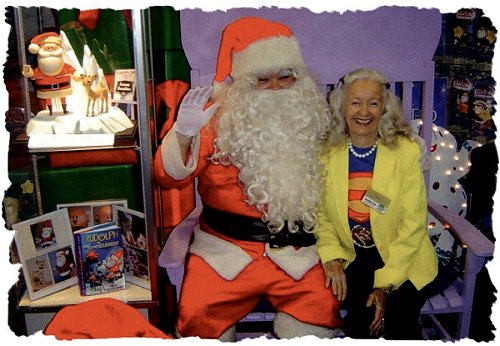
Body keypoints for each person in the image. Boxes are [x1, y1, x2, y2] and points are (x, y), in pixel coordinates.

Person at [154, 16, 343, 341]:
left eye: (285, 77)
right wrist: (183, 134)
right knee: (198, 317)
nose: (275, 87)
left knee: (320, 312)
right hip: (223, 251)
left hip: (296, 251)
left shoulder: (311, 120)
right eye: (262, 79)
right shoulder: (215, 119)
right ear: (241, 82)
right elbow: (168, 177)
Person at [315, 68, 438, 339]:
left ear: (384, 108)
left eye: (373, 103)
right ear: (342, 107)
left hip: (403, 255)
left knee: (400, 320)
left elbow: (412, 224)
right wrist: (331, 255)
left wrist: (385, 285)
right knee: (362, 322)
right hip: (354, 256)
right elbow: (321, 216)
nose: (364, 112)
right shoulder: (326, 152)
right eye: (355, 102)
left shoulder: (405, 151)